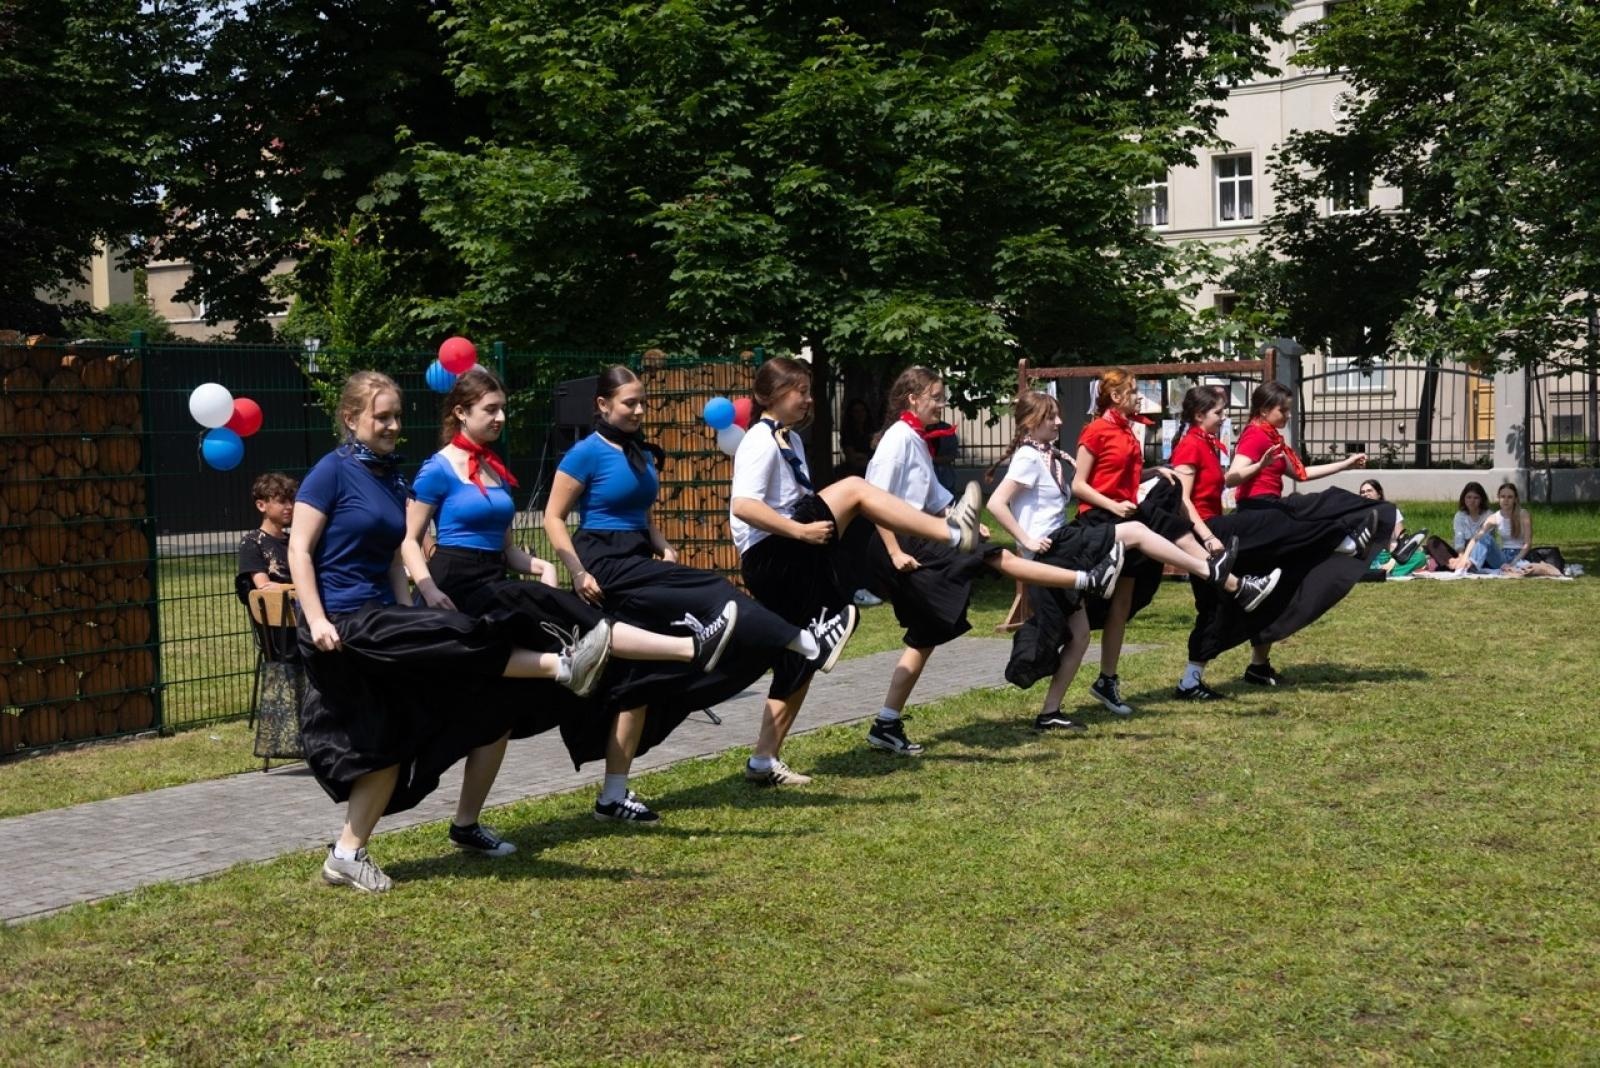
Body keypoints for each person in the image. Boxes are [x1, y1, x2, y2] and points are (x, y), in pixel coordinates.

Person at [290, 372, 613, 893]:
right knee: (462, 635)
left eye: (397, 415)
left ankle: (346, 854)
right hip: (343, 624)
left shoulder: (391, 478)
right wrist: (318, 618)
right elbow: (299, 550)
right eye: (382, 417)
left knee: (395, 740)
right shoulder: (330, 473)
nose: (395, 425)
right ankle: (562, 665)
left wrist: (410, 610)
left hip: (380, 618)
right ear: (351, 420)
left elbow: (397, 554)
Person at [403, 367, 739, 825]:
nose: (501, 417)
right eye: (491, 409)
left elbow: (504, 548)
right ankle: (686, 647)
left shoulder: (494, 469)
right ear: (460, 412)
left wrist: (539, 564)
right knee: (569, 617)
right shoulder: (438, 468)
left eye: (504, 408)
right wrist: (426, 588)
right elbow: (409, 539)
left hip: (492, 577)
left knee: (496, 719)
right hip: (455, 585)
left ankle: (466, 825)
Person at [544, 365, 851, 809]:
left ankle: (612, 796)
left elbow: (640, 514)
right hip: (602, 564)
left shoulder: (640, 454)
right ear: (602, 404)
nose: (639, 410)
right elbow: (554, 518)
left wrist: (662, 542)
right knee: (712, 589)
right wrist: (576, 571)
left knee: (638, 683)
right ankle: (802, 641)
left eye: (643, 402)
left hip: (636, 558)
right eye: (630, 402)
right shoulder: (584, 454)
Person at [730, 357, 986, 781]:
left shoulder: (788, 440)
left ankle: (763, 760)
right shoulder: (759, 440)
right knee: (854, 488)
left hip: (791, 551)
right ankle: (952, 533)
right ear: (771, 395)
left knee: (802, 657)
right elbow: (744, 506)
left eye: (809, 390)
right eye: (801, 391)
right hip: (773, 552)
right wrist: (797, 531)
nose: (809, 399)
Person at [865, 369, 1129, 750]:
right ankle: (1085, 580)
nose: (943, 404)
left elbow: (936, 498)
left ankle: (886, 723)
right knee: (991, 557)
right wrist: (894, 550)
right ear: (913, 399)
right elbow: (875, 499)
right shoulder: (897, 440)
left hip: (924, 537)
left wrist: (965, 522)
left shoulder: (916, 439)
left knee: (926, 634)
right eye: (937, 397)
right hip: (905, 543)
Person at [1072, 371, 1281, 717]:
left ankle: (1107, 679)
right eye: (1133, 391)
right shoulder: (1095, 430)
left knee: (1121, 607)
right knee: (1165, 518)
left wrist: (1152, 472)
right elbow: (1079, 485)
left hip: (1124, 513)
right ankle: (1231, 581)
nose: (1139, 397)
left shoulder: (1128, 429)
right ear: (1115, 396)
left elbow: (1119, 476)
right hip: (1103, 519)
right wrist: (1111, 505)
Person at [1218, 380, 1389, 687]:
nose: (1286, 415)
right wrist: (1260, 464)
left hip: (1272, 511)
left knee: (1277, 589)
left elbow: (1302, 473)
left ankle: (1259, 666)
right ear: (1263, 409)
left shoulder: (1273, 437)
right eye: (1281, 410)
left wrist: (1345, 464)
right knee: (1318, 507)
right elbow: (1232, 477)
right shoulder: (1256, 436)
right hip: (1259, 515)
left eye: (1288, 409)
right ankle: (1344, 540)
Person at [1457, 483, 1563, 577]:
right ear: (1498, 498)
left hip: (1520, 555)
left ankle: (1472, 566)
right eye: (1503, 497)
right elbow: (1476, 538)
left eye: (1510, 497)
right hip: (1502, 556)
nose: (1506, 500)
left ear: (1515, 499)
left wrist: (1513, 563)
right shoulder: (1494, 517)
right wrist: (1465, 557)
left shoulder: (1523, 514)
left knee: (1488, 539)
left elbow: (1527, 544)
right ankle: (1471, 566)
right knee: (1485, 537)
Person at [235, 472, 297, 604]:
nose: (289, 506)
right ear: (261, 505)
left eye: (291, 500)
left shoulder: (296, 540)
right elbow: (265, 589)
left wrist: (284, 587)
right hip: (280, 619)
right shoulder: (252, 543)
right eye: (281, 501)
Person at [1358, 478, 1427, 572]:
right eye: (1362, 492)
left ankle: (1385, 570)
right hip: (1368, 555)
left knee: (1420, 557)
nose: (1365, 494)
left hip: (1388, 554)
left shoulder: (1392, 511)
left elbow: (1401, 538)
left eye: (1369, 490)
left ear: (1379, 493)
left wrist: (1407, 549)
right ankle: (1385, 571)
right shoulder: (1358, 513)